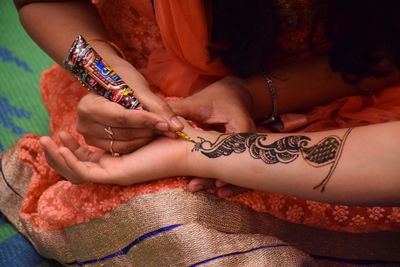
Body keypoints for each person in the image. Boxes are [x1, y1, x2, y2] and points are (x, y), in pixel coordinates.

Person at [2, 0, 400, 265]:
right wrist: (111, 80)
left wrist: (202, 147)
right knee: (155, 215)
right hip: (171, 77)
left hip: (363, 86)